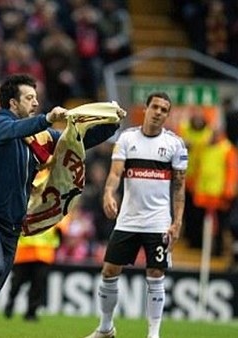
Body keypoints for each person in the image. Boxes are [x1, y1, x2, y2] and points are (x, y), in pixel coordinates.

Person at [0, 73, 121, 338]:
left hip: (12, 226)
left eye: (36, 97)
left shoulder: (37, 138)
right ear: (12, 103)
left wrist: (111, 124)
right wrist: (45, 119)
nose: (35, 102)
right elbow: (15, 130)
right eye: (29, 97)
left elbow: (76, 140)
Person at [84, 92, 187, 338]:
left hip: (158, 222)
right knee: (109, 271)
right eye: (156, 107)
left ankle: (153, 334)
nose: (159, 112)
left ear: (167, 114)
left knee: (155, 274)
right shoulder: (127, 138)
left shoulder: (175, 145)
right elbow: (115, 174)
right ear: (146, 108)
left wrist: (177, 222)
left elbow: (179, 187)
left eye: (164, 109)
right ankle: (105, 328)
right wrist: (108, 193)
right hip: (128, 220)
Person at [3, 225, 60, 321]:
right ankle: (11, 302)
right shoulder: (24, 210)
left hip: (43, 255)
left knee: (37, 285)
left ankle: (31, 312)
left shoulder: (53, 211)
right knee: (17, 283)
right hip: (25, 254)